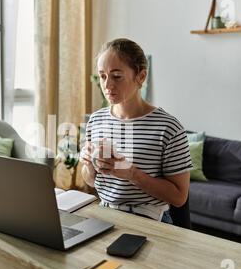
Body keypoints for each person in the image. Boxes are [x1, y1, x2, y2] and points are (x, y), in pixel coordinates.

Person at [80, 38, 192, 224]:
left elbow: (179, 197)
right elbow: (90, 180)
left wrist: (132, 174)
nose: (107, 85)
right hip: (105, 215)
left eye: (117, 76)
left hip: (151, 220)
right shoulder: (96, 120)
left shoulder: (168, 128)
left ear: (141, 77)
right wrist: (89, 165)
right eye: (102, 76)